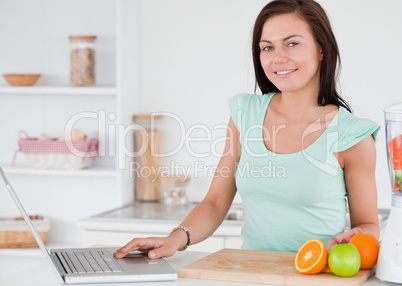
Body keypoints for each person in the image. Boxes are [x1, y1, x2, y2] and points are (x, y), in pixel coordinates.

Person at [114, 0, 380, 259]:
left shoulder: (352, 136)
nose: (278, 58)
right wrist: (174, 240)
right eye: (267, 48)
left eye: (292, 43)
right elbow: (216, 202)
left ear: (322, 49)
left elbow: (368, 225)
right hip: (249, 273)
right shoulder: (245, 115)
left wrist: (355, 239)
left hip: (316, 276)